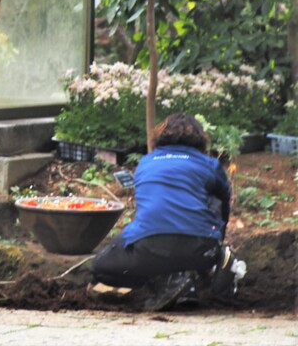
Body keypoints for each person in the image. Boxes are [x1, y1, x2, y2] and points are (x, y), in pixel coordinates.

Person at [91, 113, 245, 310]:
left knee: (100, 266)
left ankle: (167, 281)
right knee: (214, 196)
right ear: (199, 139)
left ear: (160, 137)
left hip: (148, 250)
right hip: (201, 250)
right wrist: (215, 243)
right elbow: (224, 205)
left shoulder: (146, 163)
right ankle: (211, 264)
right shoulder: (210, 165)